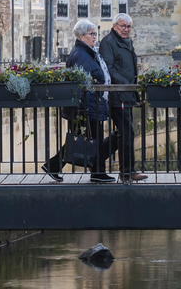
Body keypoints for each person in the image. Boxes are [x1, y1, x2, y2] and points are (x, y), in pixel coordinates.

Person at [42, 19, 115, 184]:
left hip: (89, 105)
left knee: (84, 140)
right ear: (82, 36)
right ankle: (96, 172)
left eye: (95, 33)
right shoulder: (80, 55)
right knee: (85, 140)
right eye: (91, 34)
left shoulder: (87, 52)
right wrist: (86, 108)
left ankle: (57, 166)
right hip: (87, 107)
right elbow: (83, 83)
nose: (94, 37)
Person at [99, 12, 148, 182]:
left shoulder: (126, 42)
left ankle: (95, 160)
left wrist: (132, 88)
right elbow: (109, 70)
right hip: (117, 94)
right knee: (127, 132)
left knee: (122, 133)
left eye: (128, 27)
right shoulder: (108, 42)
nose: (126, 29)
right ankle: (127, 172)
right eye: (122, 26)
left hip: (127, 93)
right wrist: (126, 83)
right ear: (114, 26)